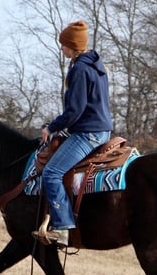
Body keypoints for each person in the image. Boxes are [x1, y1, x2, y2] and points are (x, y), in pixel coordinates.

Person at [33, 20, 113, 248]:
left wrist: (52, 127)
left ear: (72, 46)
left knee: (51, 173)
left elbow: (75, 110)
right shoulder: (97, 66)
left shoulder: (79, 69)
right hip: (102, 129)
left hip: (88, 133)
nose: (61, 48)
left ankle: (62, 228)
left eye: (63, 44)